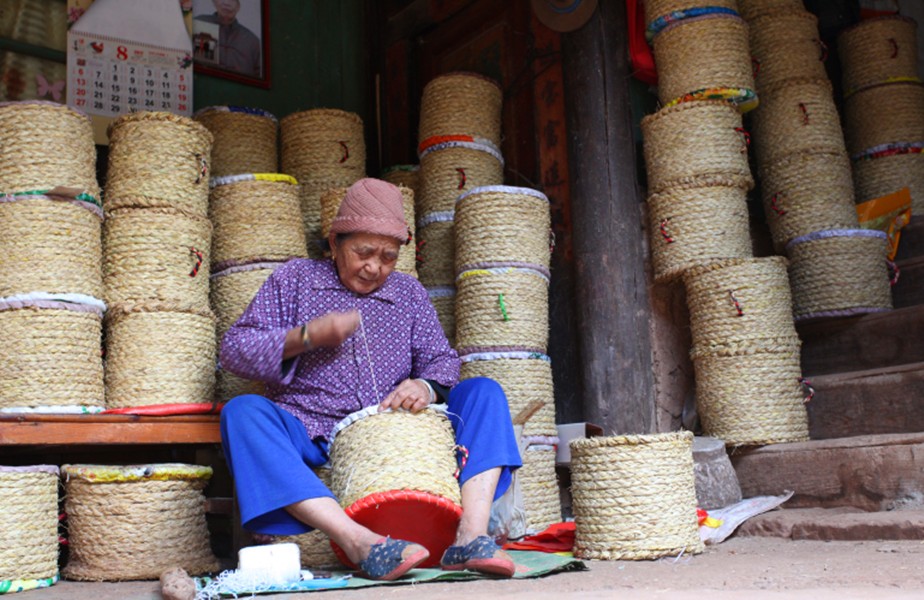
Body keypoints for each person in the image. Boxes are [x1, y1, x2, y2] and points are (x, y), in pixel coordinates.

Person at [219, 178, 523, 580]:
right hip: (310, 428)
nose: (375, 267)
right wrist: (305, 337)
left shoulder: (408, 294)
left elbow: (442, 361)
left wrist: (426, 387)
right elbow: (234, 350)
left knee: (484, 391)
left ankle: (469, 535)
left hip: (394, 432)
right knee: (243, 412)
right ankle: (359, 542)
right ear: (334, 242)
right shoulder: (294, 280)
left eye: (388, 257)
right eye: (363, 252)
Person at [195, 0, 261, 78]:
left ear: (238, 6)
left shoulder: (252, 41)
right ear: (214, 2)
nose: (226, 3)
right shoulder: (199, 24)